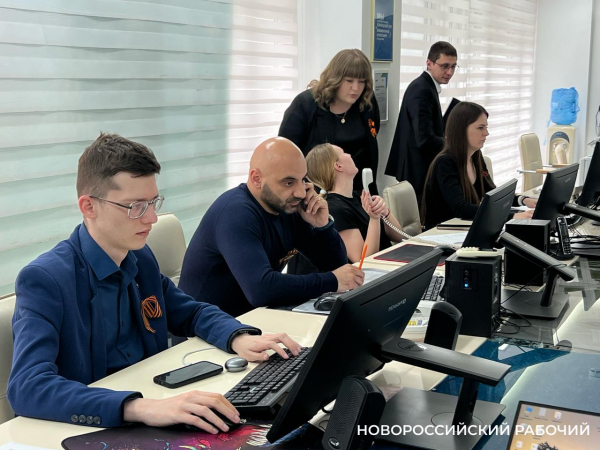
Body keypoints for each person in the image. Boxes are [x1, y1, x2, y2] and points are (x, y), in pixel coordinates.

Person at [8, 133, 302, 432]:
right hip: (93, 426)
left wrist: (238, 337)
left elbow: (191, 312)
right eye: (135, 206)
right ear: (89, 207)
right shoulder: (45, 280)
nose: (151, 218)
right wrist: (140, 407)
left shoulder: (139, 257)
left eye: (153, 202)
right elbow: (27, 387)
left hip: (153, 404)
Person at [178, 137, 364, 318]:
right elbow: (261, 289)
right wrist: (332, 280)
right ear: (256, 178)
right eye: (289, 182)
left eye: (302, 180)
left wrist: (323, 226)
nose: (301, 192)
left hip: (250, 319)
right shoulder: (235, 213)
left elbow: (337, 266)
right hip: (202, 328)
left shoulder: (287, 206)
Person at [278, 48, 380, 194]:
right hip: (315, 194)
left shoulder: (367, 102)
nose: (356, 88)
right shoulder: (304, 105)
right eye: (349, 81)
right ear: (335, 79)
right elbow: (286, 153)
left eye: (361, 81)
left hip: (359, 192)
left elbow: (372, 139)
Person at [420, 102, 536, 230]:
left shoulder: (476, 156)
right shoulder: (445, 163)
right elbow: (461, 208)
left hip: (465, 228)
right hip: (441, 233)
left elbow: (491, 193)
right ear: (461, 130)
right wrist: (511, 216)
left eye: (486, 127)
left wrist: (522, 200)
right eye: (480, 128)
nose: (486, 133)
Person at [385, 41, 458, 202]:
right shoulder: (422, 90)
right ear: (429, 63)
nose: (450, 72)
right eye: (445, 66)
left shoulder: (426, 86)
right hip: (417, 171)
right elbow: (424, 139)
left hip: (418, 168)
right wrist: (451, 143)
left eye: (453, 66)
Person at [306, 143, 404, 262]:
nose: (349, 154)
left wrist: (385, 213)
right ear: (338, 166)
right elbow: (363, 261)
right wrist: (374, 219)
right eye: (343, 153)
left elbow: (400, 237)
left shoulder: (359, 197)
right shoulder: (335, 209)